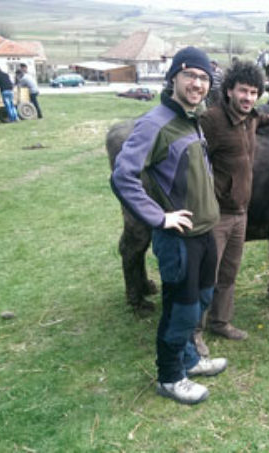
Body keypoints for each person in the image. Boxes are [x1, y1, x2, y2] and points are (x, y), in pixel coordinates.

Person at [110, 46, 228, 405]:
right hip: (178, 238)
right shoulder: (155, 122)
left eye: (203, 78)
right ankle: (169, 377)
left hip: (205, 232)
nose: (197, 83)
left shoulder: (192, 118)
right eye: (190, 75)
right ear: (174, 77)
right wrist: (159, 217)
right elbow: (123, 176)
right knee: (181, 309)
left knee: (203, 297)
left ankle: (189, 361)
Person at [197, 61, 269, 350]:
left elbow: (264, 119)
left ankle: (220, 322)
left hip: (240, 213)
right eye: (243, 91)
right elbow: (189, 158)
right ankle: (192, 333)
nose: (248, 98)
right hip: (216, 214)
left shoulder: (250, 119)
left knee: (229, 273)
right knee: (205, 275)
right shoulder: (212, 120)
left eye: (254, 92)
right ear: (229, 90)